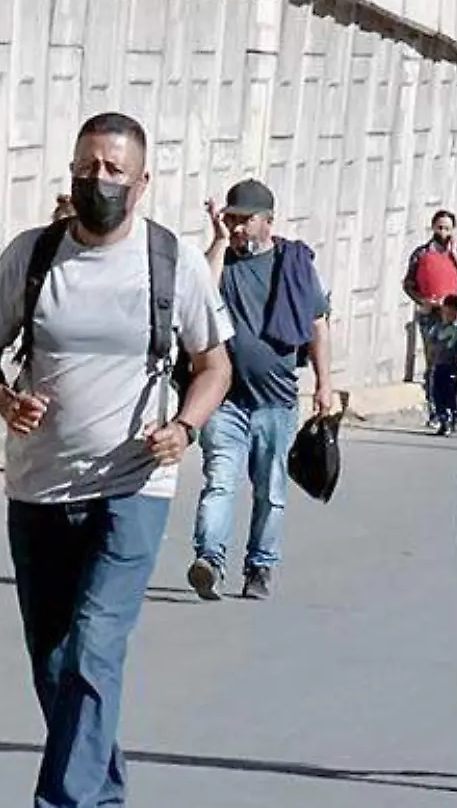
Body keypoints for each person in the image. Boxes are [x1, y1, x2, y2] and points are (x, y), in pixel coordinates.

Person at [0, 112, 233, 808]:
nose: (98, 179)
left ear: (142, 182)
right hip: (39, 483)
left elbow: (213, 366)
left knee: (95, 645)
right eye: (87, 165)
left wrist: (185, 426)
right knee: (53, 660)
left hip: (133, 485)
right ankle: (101, 792)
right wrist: (2, 399)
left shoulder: (171, 262)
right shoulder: (33, 254)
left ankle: (64, 801)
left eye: (114, 169)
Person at [186, 179, 334, 602]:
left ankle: (260, 567)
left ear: (267, 221)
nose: (235, 228)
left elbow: (318, 326)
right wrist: (217, 239)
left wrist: (325, 384)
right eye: (230, 219)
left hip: (277, 402)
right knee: (219, 482)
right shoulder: (222, 261)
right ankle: (209, 561)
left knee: (270, 491)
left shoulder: (294, 264)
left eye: (242, 220)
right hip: (225, 401)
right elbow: (201, 294)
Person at [403, 210, 457, 425]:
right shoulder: (421, 254)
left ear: (453, 229)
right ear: (433, 227)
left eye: (447, 228)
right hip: (432, 316)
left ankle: (453, 409)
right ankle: (435, 411)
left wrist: (455, 256)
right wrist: (423, 301)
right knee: (434, 364)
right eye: (439, 227)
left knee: (454, 364)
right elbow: (409, 284)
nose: (443, 232)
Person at [425, 294, 457, 437]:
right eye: (445, 312)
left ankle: (453, 417)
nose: (448, 316)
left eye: (451, 313)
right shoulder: (438, 328)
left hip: (455, 366)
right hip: (439, 365)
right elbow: (431, 344)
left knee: (452, 394)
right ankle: (443, 419)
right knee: (438, 393)